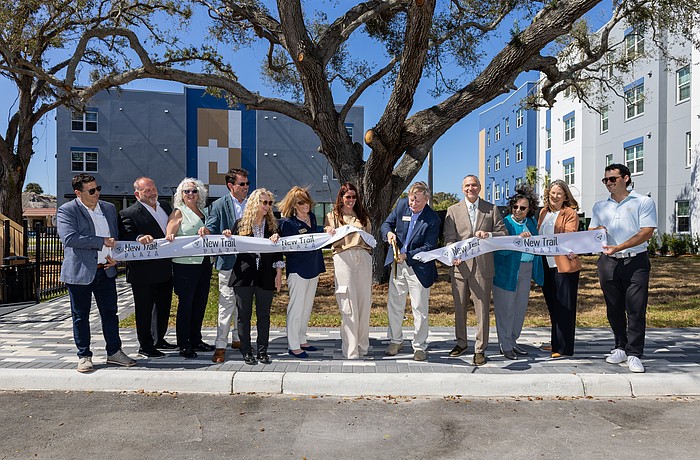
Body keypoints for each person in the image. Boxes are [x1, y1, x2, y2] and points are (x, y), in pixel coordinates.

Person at [57, 173, 136, 373]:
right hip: (80, 272)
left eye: (98, 188)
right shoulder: (67, 210)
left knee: (110, 314)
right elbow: (70, 238)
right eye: (91, 190)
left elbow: (117, 236)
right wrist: (101, 241)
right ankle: (84, 356)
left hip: (106, 270)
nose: (96, 193)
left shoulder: (108, 208)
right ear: (78, 193)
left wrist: (116, 256)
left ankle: (114, 352)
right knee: (80, 316)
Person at [589, 163, 657, 373]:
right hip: (608, 262)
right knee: (614, 307)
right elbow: (591, 232)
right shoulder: (600, 206)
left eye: (613, 179)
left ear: (626, 178)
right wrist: (597, 231)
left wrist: (619, 246)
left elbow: (646, 232)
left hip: (636, 261)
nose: (608, 183)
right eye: (605, 180)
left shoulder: (643, 202)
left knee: (635, 308)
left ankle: (634, 353)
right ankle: (620, 347)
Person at [443, 175, 506, 366]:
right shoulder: (453, 210)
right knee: (459, 308)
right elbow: (449, 237)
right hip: (460, 266)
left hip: (482, 267)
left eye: (474, 185)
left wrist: (489, 234)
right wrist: (453, 253)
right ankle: (461, 343)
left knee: (482, 310)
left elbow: (503, 233)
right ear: (462, 188)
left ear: (479, 187)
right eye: (467, 185)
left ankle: (480, 349)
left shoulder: (491, 209)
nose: (471, 188)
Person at [381, 182, 440, 361]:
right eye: (411, 199)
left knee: (419, 308)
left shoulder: (432, 219)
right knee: (395, 304)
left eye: (417, 201)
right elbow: (386, 224)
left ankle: (419, 346)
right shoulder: (401, 206)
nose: (413, 204)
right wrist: (388, 234)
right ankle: (395, 340)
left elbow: (429, 246)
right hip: (397, 265)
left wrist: (407, 255)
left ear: (426, 199)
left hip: (419, 267)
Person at [119, 177, 176, 358]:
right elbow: (126, 235)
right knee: (144, 310)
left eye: (153, 189)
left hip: (165, 268)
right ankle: (145, 345)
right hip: (142, 272)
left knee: (163, 307)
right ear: (137, 194)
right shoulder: (128, 213)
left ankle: (159, 339)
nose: (152, 193)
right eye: (147, 191)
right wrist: (139, 238)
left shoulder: (165, 207)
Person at [228, 188, 284, 365]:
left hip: (266, 275)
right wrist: (227, 236)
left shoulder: (273, 226)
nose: (267, 206)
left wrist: (278, 274)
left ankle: (262, 351)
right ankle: (246, 351)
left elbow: (278, 254)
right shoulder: (240, 224)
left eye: (270, 203)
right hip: (244, 275)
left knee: (264, 315)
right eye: (264, 202)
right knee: (244, 315)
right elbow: (229, 246)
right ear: (254, 203)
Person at [165, 178, 214, 359]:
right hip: (185, 265)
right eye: (187, 191)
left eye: (194, 191)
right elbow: (169, 233)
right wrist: (170, 235)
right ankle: (184, 344)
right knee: (186, 305)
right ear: (181, 194)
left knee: (200, 303)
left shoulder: (205, 212)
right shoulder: (179, 212)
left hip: (204, 263)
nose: (191, 194)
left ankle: (196, 339)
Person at [492, 186, 544, 360]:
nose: (518, 210)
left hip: (526, 270)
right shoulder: (504, 223)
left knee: (519, 309)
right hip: (507, 271)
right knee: (505, 309)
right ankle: (505, 345)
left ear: (529, 209)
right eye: (515, 207)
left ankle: (513, 341)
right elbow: (500, 249)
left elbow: (538, 245)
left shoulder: (531, 223)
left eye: (523, 207)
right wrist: (517, 240)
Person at [324, 183, 373, 359]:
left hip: (363, 257)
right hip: (343, 257)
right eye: (348, 197)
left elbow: (370, 238)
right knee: (348, 303)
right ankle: (351, 349)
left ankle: (362, 345)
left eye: (353, 197)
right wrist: (329, 230)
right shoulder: (332, 216)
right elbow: (327, 234)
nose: (351, 200)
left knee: (364, 302)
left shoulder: (363, 216)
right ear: (341, 197)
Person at [207, 168, 249, 363]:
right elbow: (211, 227)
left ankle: (238, 337)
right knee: (226, 303)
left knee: (244, 303)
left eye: (247, 184)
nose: (246, 187)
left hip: (248, 262)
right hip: (228, 262)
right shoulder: (218, 205)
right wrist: (209, 232)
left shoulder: (253, 203)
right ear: (231, 186)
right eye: (242, 184)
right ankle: (220, 345)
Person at [277, 186, 325, 359]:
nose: (306, 205)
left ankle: (302, 338)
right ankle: (293, 344)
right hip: (298, 269)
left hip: (314, 267)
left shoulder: (312, 217)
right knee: (296, 307)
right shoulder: (286, 223)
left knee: (307, 306)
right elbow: (283, 247)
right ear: (294, 205)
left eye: (307, 201)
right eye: (301, 202)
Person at [538, 179, 581, 358]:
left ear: (565, 196)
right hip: (546, 265)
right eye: (552, 193)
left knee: (565, 306)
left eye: (559, 194)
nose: (555, 196)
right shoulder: (543, 212)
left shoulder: (570, 213)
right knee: (553, 305)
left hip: (563, 265)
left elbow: (569, 236)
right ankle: (556, 342)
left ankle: (564, 347)